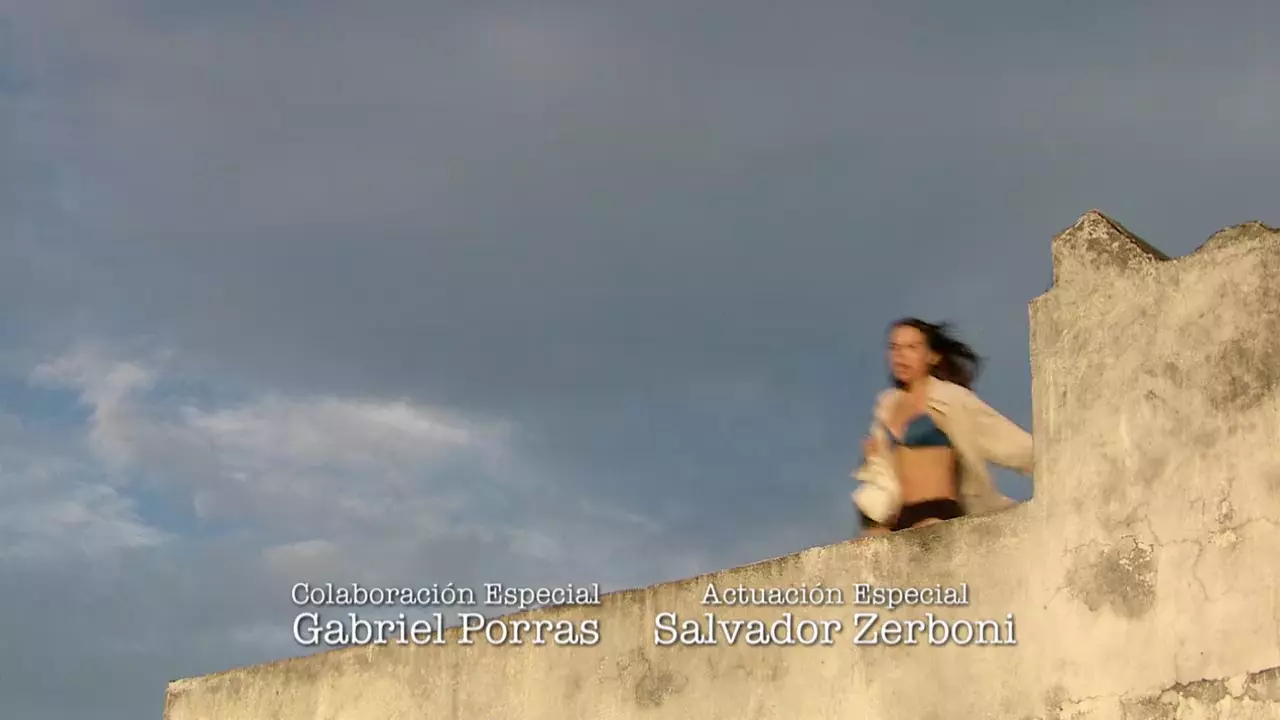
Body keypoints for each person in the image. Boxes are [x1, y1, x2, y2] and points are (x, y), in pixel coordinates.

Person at [851, 318, 1033, 535]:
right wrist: (874, 458)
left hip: (938, 512)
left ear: (932, 356)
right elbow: (879, 477)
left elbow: (1011, 442)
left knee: (929, 532)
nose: (901, 355)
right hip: (899, 518)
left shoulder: (952, 399)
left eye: (912, 347)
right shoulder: (886, 407)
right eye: (894, 347)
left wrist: (1054, 459)